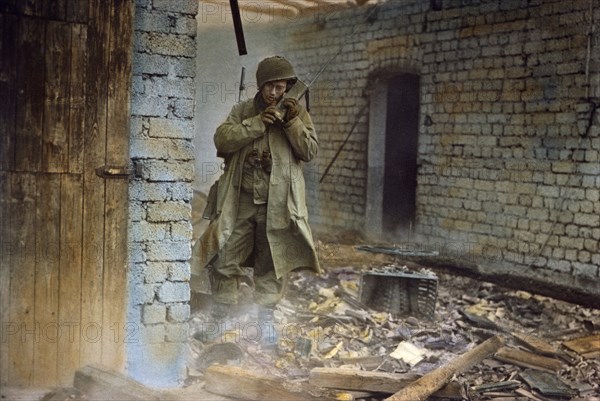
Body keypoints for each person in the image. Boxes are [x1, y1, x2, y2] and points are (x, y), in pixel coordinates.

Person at [192, 56, 321, 342]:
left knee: (272, 263)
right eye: (270, 87)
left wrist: (292, 123)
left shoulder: (297, 114)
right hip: (240, 201)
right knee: (225, 256)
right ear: (260, 86)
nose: (276, 93)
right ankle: (218, 320)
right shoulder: (243, 110)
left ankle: (266, 326)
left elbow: (309, 151)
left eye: (281, 87)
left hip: (278, 204)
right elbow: (222, 139)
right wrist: (256, 124)